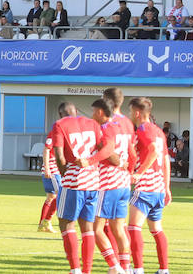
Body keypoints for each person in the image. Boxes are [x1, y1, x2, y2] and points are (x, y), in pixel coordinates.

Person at [49, 101, 113, 274]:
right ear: (76, 111)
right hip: (93, 180)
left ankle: (75, 269)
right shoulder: (92, 123)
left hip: (74, 181)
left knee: (66, 224)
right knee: (87, 228)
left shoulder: (60, 125)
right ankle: (87, 270)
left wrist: (65, 175)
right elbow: (104, 147)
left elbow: (60, 157)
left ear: (60, 114)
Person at [127, 97, 171, 274]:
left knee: (133, 227)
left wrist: (139, 173)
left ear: (137, 113)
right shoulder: (159, 131)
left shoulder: (144, 129)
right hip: (158, 187)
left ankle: (138, 269)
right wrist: (166, 187)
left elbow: (153, 151)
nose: (129, 115)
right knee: (156, 230)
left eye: (130, 111)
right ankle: (163, 270)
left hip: (145, 187)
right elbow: (166, 159)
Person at [91, 97, 132, 273]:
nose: (92, 115)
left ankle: (115, 267)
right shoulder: (120, 127)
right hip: (123, 183)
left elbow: (110, 154)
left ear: (100, 112)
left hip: (108, 183)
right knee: (118, 229)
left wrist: (90, 160)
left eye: (93, 111)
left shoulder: (105, 128)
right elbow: (130, 153)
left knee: (96, 228)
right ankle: (126, 267)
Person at [38, 125, 62, 234]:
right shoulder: (54, 134)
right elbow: (46, 150)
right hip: (53, 170)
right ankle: (45, 222)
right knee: (58, 196)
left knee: (51, 197)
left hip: (56, 170)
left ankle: (43, 224)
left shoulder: (62, 134)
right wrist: (47, 168)